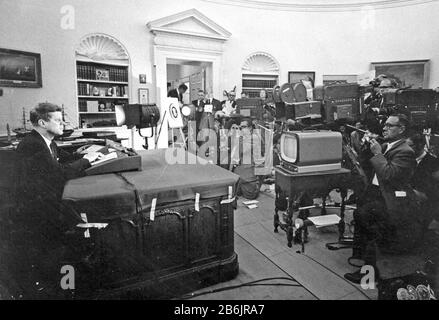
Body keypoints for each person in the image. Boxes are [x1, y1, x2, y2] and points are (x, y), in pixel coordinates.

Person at [13, 102, 102, 297]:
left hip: (46, 202)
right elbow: (59, 174)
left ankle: (70, 282)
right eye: (58, 120)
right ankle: (66, 287)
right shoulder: (32, 145)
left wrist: (86, 153)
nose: (63, 124)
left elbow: (65, 158)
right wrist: (87, 160)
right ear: (43, 122)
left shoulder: (48, 142)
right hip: (37, 209)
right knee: (81, 228)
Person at [344, 114, 422, 284]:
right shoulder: (387, 145)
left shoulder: (405, 151)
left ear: (401, 129)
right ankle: (364, 260)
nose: (384, 128)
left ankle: (369, 275)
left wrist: (378, 153)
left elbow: (389, 175)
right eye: (384, 124)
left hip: (389, 200)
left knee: (372, 229)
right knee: (361, 219)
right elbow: (365, 163)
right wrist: (366, 147)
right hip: (375, 192)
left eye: (389, 125)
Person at [407, 133, 439, 226]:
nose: (406, 149)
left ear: (421, 146)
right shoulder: (405, 159)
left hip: (424, 210)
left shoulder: (434, 163)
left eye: (410, 146)